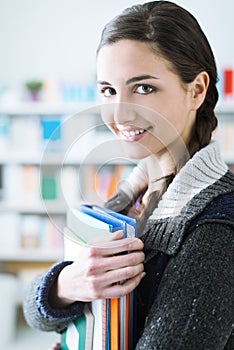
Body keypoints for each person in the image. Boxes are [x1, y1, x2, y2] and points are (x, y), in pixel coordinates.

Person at [23, 1, 234, 349]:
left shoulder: (216, 226)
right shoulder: (126, 197)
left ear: (196, 90)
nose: (119, 113)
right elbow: (36, 313)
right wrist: (65, 284)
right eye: (108, 90)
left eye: (143, 88)